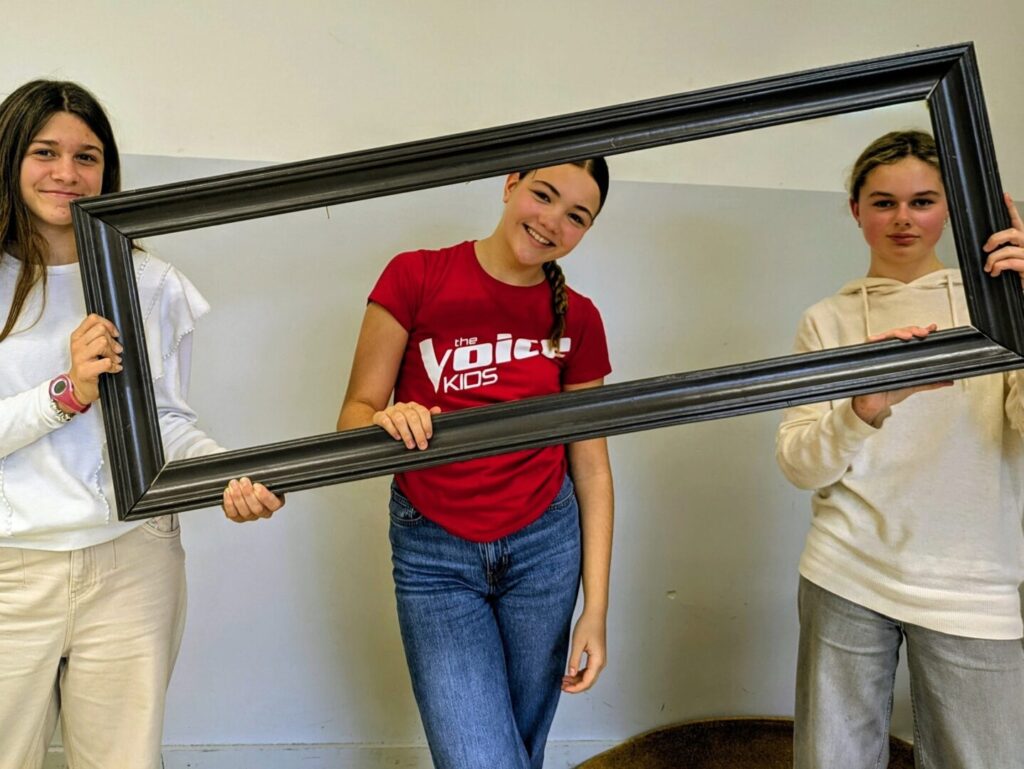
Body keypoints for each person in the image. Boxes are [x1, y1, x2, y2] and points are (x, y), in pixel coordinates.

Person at [0, 79, 283, 769]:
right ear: (9, 158)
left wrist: (222, 475)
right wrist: (66, 393)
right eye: (45, 152)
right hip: (11, 566)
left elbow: (162, 422)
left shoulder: (148, 282)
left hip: (132, 562)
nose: (67, 173)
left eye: (87, 156)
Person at [337, 160, 614, 769]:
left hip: (546, 549)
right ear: (510, 184)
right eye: (543, 195)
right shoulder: (415, 275)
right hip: (434, 553)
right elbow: (353, 418)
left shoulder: (579, 318)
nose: (553, 222)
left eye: (576, 217)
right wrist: (387, 420)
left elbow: (591, 467)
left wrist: (595, 608)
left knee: (520, 752)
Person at [775, 130, 1024, 768]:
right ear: (855, 210)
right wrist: (863, 410)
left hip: (974, 581)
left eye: (923, 201)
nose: (903, 219)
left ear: (952, 209)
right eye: (884, 202)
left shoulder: (998, 301)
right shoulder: (826, 321)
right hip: (846, 569)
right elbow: (800, 464)